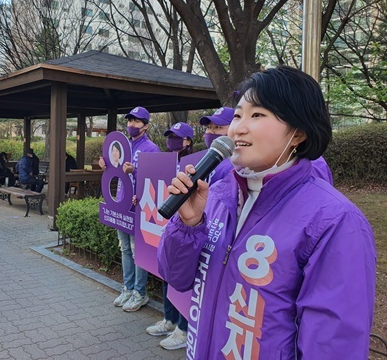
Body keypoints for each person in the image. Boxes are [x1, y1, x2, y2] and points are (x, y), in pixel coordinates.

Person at [158, 66, 376, 359]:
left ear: (298, 132)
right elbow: (176, 277)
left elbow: (332, 345)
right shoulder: (217, 196)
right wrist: (189, 224)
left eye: (257, 115)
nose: (238, 128)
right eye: (237, 115)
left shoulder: (334, 221)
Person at [99, 106, 160, 312]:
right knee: (124, 248)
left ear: (146, 125)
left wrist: (136, 169)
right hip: (120, 202)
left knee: (137, 251)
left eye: (136, 121)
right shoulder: (123, 146)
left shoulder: (151, 149)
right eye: (129, 121)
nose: (131, 125)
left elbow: (157, 179)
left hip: (139, 207)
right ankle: (127, 288)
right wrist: (105, 164)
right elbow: (116, 170)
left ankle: (139, 293)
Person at [146, 122, 194, 350]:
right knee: (167, 275)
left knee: (183, 281)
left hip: (189, 232)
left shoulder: (196, 165)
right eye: (170, 136)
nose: (172, 140)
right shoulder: (163, 162)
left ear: (188, 142)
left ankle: (183, 329)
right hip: (165, 228)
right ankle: (169, 320)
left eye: (178, 137)